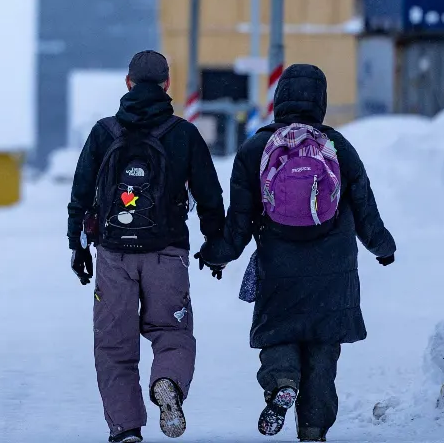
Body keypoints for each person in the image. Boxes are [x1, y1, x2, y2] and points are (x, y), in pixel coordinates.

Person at [198, 64, 396, 442]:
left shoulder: (256, 149)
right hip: (333, 269)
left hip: (279, 267)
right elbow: (365, 208)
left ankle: (282, 383)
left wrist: (218, 254)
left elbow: (239, 221)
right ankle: (313, 428)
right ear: (321, 101)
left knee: (279, 332)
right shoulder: (337, 147)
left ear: (279, 99)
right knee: (323, 347)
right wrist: (382, 247)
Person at [68, 50, 226, 443]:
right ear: (167, 84)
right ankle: (167, 381)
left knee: (114, 346)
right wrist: (215, 244)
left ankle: (126, 428)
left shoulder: (104, 133)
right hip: (167, 252)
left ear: (128, 83)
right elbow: (210, 195)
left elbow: (81, 194)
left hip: (113, 254)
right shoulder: (183, 133)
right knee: (172, 332)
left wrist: (78, 245)